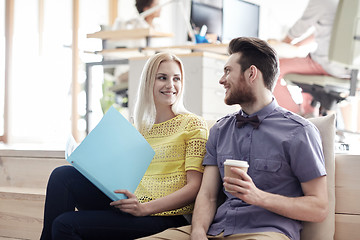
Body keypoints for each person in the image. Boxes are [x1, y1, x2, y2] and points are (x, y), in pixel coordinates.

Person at [137, 37, 328, 240]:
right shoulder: (220, 129)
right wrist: (198, 231)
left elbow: (318, 207)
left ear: (251, 73)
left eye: (228, 71)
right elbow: (208, 195)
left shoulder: (299, 132)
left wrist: (259, 197)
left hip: (265, 232)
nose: (221, 79)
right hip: (215, 230)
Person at [40, 52, 208, 240]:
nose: (171, 85)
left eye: (176, 78)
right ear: (148, 82)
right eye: (162, 78)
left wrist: (144, 208)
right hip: (131, 203)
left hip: (167, 216)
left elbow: (195, 187)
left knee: (64, 225)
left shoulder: (193, 124)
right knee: (62, 175)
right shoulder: (142, 128)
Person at [272, 0, 350, 116]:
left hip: (326, 66)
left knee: (271, 68)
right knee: (306, 70)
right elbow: (325, 30)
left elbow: (299, 28)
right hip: (349, 71)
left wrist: (282, 44)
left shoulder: (322, 2)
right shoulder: (347, 4)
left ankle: (294, 117)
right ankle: (309, 115)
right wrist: (296, 45)